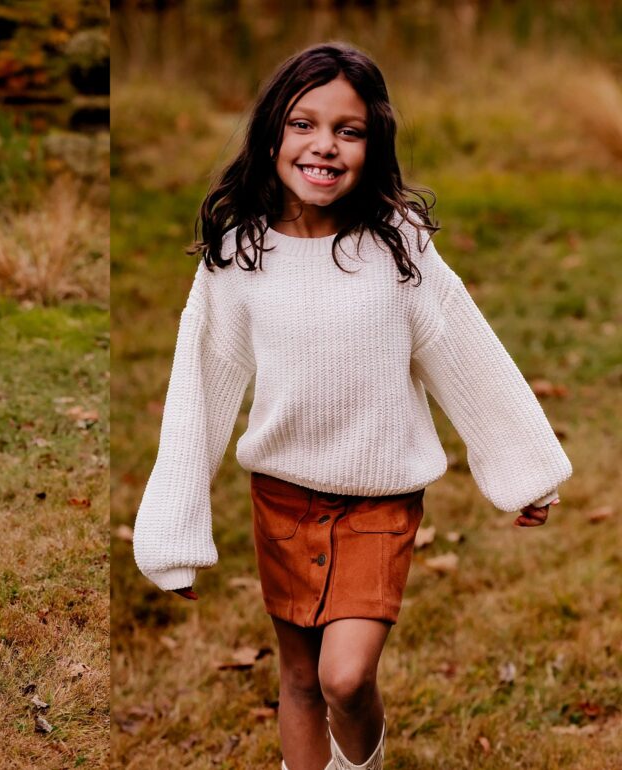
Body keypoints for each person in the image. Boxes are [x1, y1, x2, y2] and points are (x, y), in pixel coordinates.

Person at [132, 43, 570, 770]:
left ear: (373, 145)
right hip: (282, 498)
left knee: (346, 677)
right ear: (272, 133)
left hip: (379, 501)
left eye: (349, 130)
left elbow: (467, 355)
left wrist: (526, 471)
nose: (324, 145)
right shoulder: (237, 258)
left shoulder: (399, 249)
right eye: (304, 123)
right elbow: (198, 394)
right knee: (302, 680)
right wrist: (171, 534)